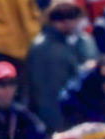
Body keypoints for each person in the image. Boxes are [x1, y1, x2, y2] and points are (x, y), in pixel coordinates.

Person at [27, 1, 96, 129]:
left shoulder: (83, 41)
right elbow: (47, 95)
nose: (68, 22)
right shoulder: (45, 48)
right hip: (60, 120)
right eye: (61, 17)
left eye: (73, 16)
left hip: (81, 115)